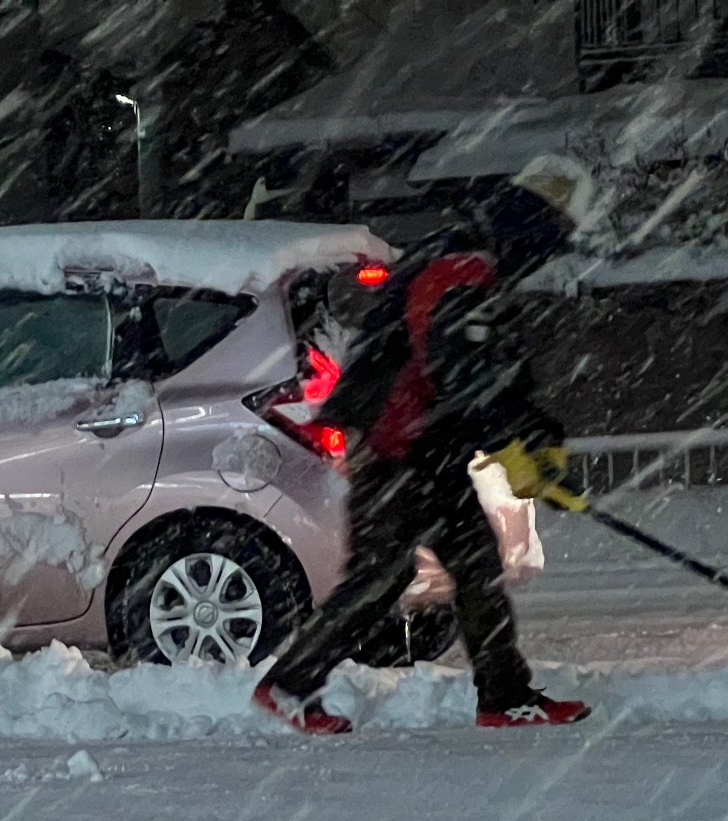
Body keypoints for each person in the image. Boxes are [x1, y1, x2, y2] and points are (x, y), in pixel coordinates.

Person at [254, 156, 598, 735]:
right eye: (558, 236)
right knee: (381, 576)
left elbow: (491, 371)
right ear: (539, 225)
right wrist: (514, 451)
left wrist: (538, 444)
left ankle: (504, 696)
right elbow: (461, 369)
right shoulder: (463, 265)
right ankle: (289, 684)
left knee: (474, 566)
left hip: (426, 443)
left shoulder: (468, 255)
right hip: (401, 444)